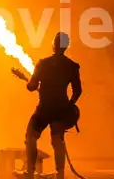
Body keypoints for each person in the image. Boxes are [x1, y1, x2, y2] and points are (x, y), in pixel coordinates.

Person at [22, 32, 82, 179]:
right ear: (66, 46)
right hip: (61, 110)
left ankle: (30, 172)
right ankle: (59, 174)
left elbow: (32, 86)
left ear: (53, 45)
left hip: (44, 109)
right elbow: (77, 91)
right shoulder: (72, 66)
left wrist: (30, 83)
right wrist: (69, 105)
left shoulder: (43, 64)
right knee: (57, 141)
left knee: (31, 137)